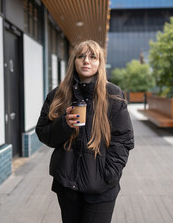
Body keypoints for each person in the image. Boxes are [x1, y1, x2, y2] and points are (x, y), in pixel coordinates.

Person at [36, 40, 134, 223]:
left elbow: (123, 140)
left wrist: (109, 174)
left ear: (99, 63)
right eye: (81, 56)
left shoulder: (113, 95)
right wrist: (63, 125)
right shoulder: (59, 94)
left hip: (101, 188)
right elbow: (43, 132)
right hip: (67, 186)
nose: (86, 61)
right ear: (74, 61)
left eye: (92, 57)